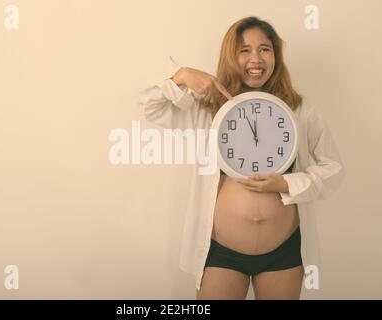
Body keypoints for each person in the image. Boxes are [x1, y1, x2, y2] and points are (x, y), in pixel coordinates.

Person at [138, 16, 345, 299]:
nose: (255, 58)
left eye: (264, 49)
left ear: (276, 55)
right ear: (230, 57)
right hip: (221, 254)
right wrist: (182, 75)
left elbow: (333, 168)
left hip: (283, 254)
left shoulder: (300, 109)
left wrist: (286, 184)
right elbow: (150, 106)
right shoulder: (208, 107)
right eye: (244, 50)